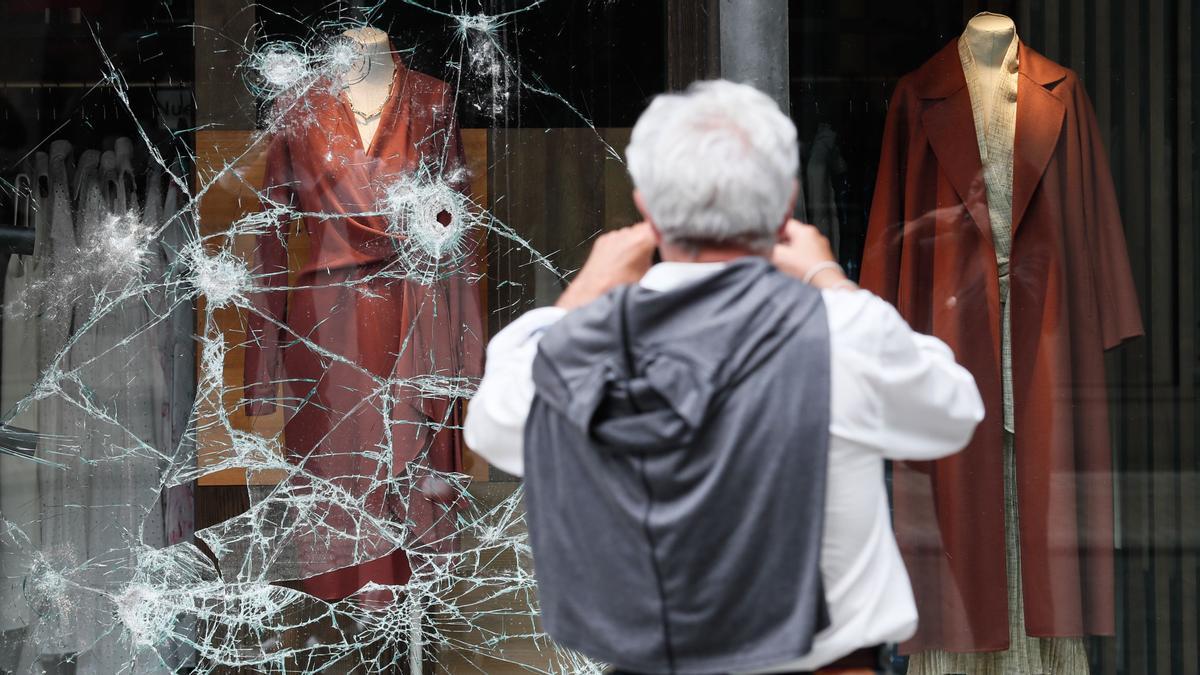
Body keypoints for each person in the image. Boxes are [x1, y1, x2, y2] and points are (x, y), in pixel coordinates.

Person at [464, 80, 985, 675]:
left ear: (647, 210)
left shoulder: (577, 348)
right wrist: (828, 279)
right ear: (787, 205)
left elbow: (493, 426)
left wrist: (580, 294)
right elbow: (952, 411)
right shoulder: (843, 332)